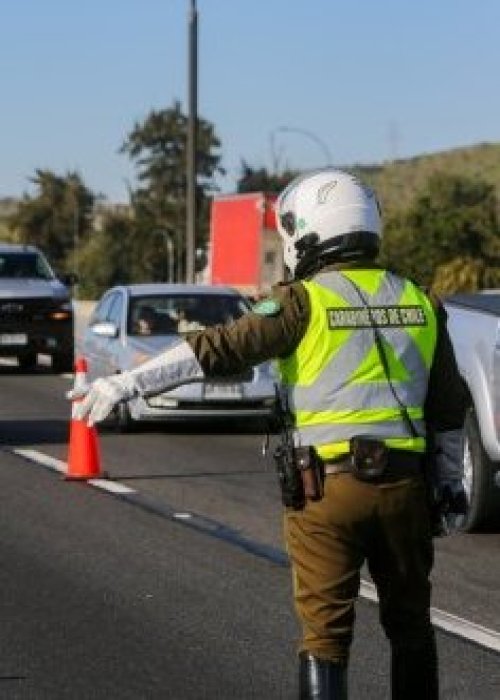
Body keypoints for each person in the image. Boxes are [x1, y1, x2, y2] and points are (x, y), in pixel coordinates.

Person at [71, 169, 467, 699]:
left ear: (308, 233)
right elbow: (448, 409)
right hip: (405, 491)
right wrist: (449, 488)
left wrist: (127, 382)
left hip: (325, 492)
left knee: (325, 639)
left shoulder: (302, 302)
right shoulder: (422, 302)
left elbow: (215, 349)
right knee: (411, 628)